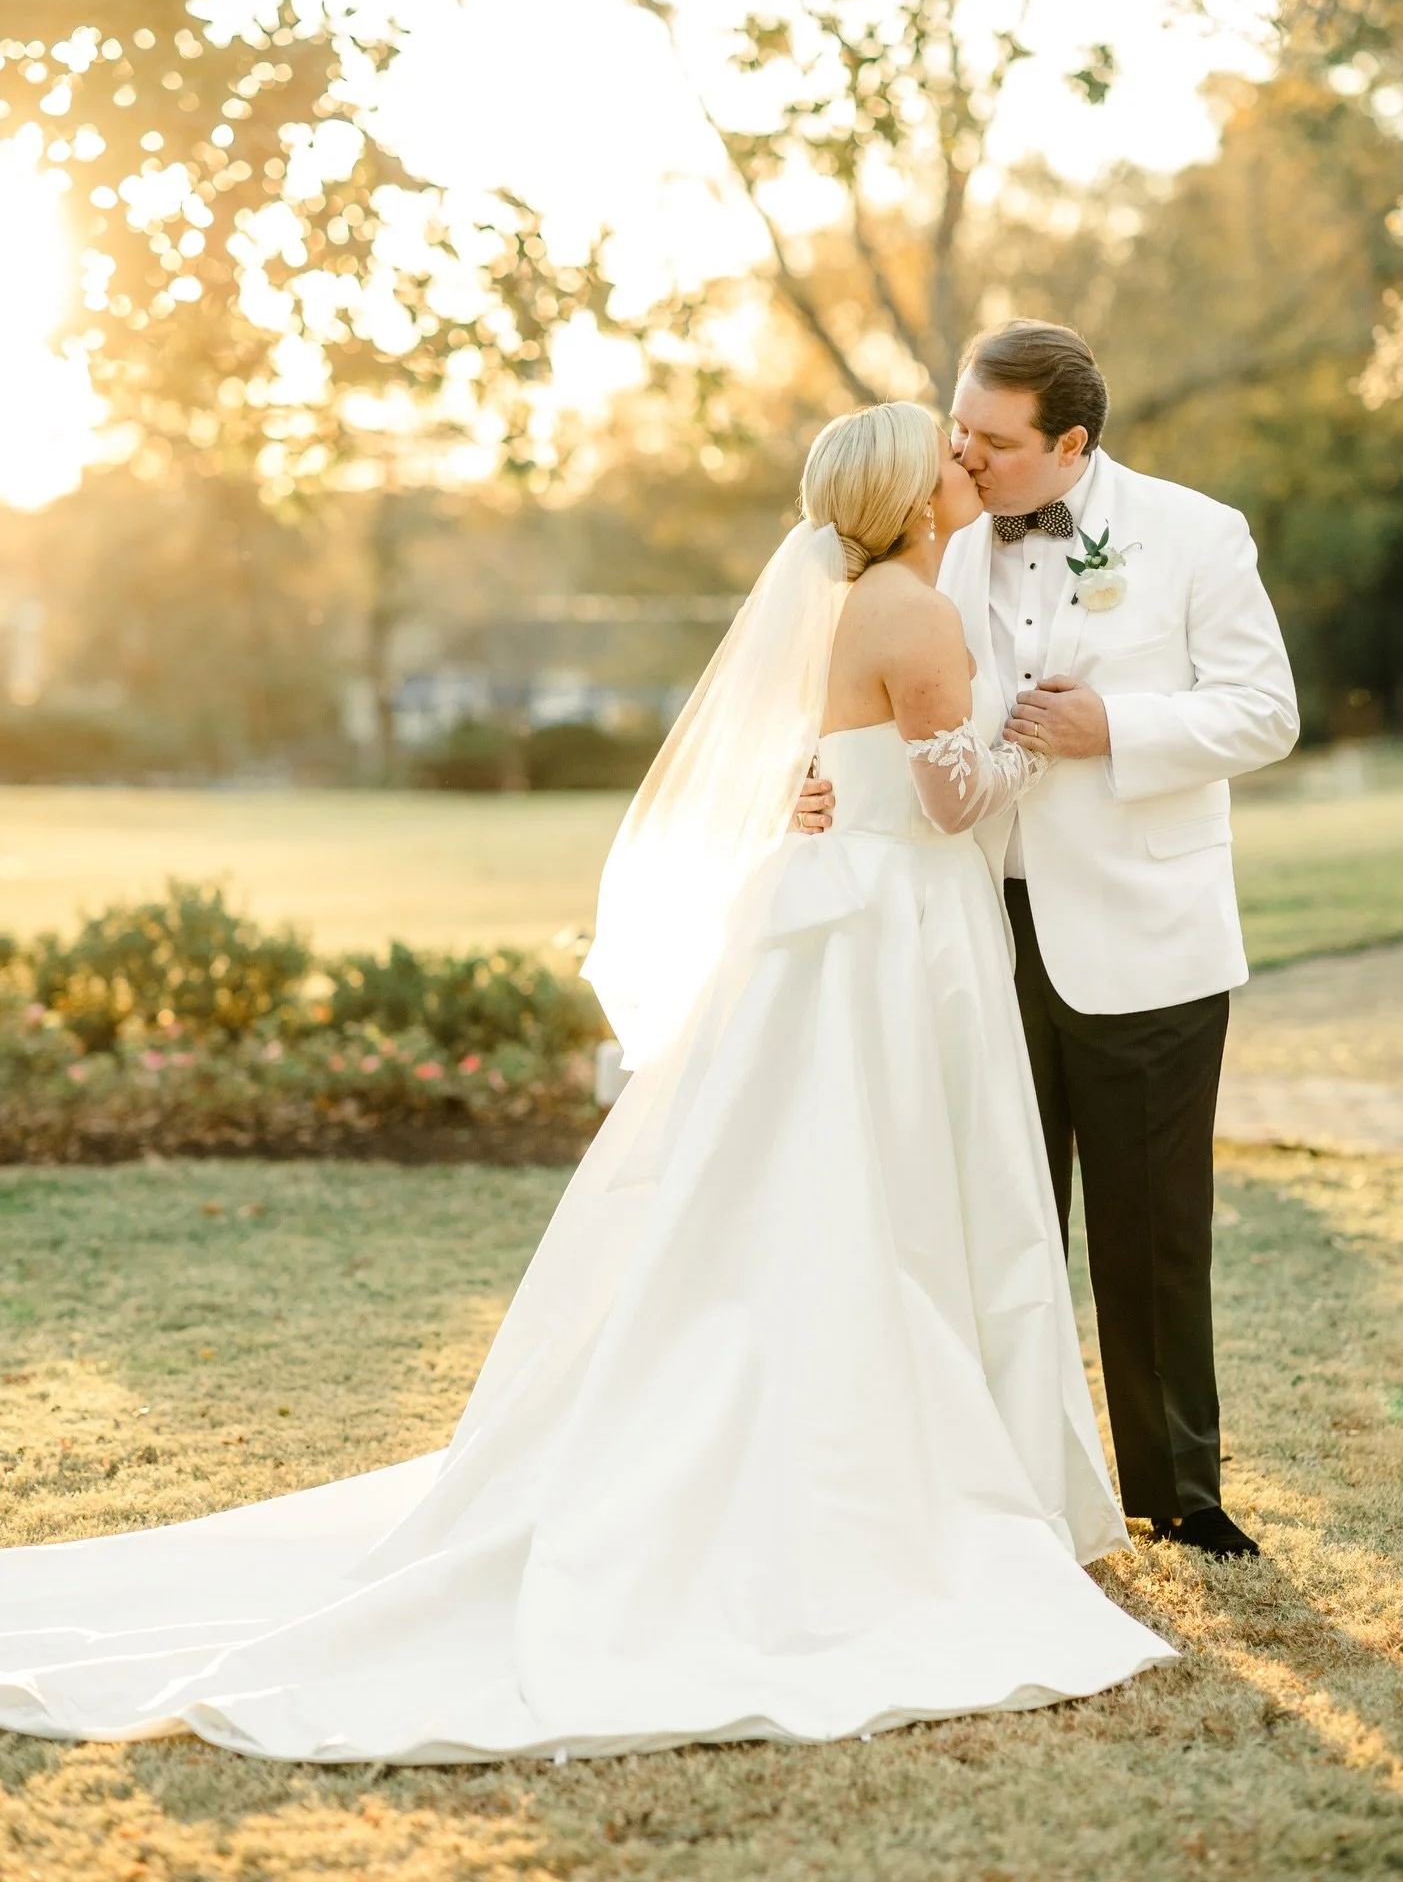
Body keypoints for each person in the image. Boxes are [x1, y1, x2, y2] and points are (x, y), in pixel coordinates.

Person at [0, 403, 1172, 1767]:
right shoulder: (913, 613)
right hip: (892, 928)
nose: (966, 466)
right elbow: (955, 799)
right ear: (913, 499)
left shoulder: (847, 600)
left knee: (816, 1188)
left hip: (848, 907)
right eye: (947, 457)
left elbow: (836, 767)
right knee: (893, 1190)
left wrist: (851, 785)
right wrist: (1037, 736)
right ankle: (899, 1477)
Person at [797, 324, 1300, 1559]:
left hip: (1147, 928)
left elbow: (1265, 712)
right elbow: (865, 705)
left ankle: (1177, 1492)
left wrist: (1113, 727)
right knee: (984, 1214)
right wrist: (819, 788)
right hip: (968, 926)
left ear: (1071, 444)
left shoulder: (1197, 533)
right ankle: (991, 1481)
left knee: (1152, 1227)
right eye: (958, 429)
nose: (965, 454)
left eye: (995, 440)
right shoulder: (934, 539)